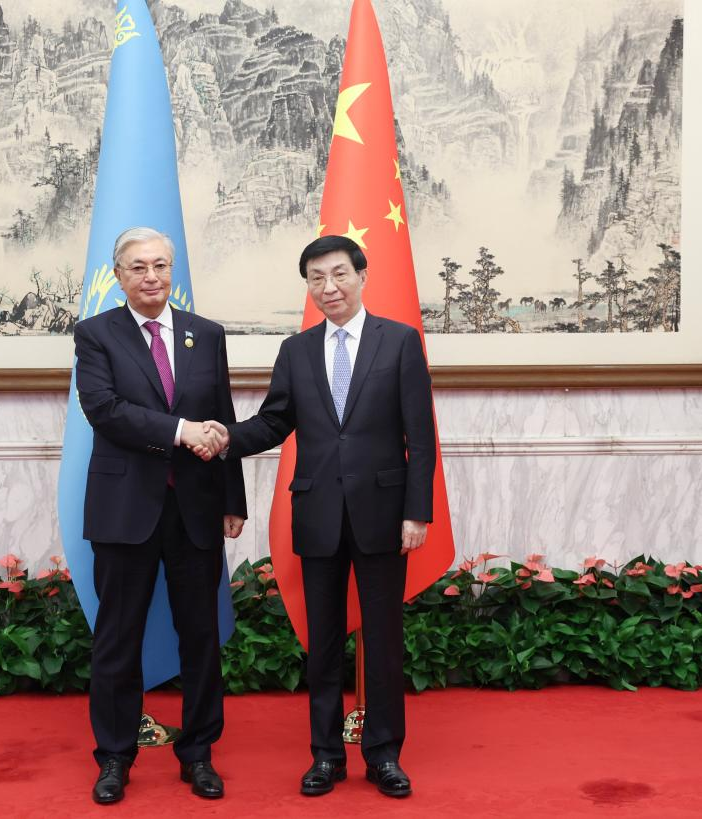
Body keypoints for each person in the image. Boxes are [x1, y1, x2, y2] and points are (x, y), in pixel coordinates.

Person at [202, 235, 436, 799]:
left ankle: (383, 754)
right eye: (316, 278)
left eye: (338, 274)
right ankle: (326, 755)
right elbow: (273, 421)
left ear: (362, 275)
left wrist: (417, 512)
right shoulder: (297, 350)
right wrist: (225, 437)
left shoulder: (400, 341)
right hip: (318, 515)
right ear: (307, 286)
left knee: (383, 640)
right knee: (323, 642)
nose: (328, 287)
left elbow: (420, 435)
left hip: (384, 515)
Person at [74, 226, 244, 805]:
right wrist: (179, 431)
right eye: (139, 267)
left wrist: (233, 499)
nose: (152, 276)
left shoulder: (206, 334)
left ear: (173, 271)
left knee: (201, 636)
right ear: (118, 276)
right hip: (125, 509)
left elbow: (222, 416)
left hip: (196, 508)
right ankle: (114, 756)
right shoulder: (96, 334)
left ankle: (198, 753)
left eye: (161, 266)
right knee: (117, 638)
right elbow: (104, 409)